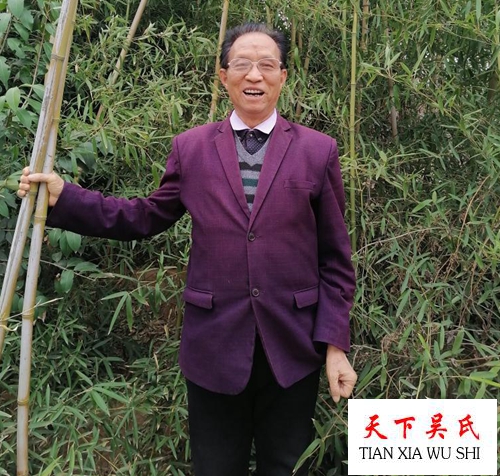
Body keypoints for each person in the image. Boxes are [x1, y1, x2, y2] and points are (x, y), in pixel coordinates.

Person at [18, 23, 356, 476]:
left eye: (266, 65)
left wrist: (334, 345)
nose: (254, 75)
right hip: (214, 347)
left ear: (283, 76)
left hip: (292, 349)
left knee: (287, 467)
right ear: (223, 75)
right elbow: (143, 217)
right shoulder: (192, 148)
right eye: (242, 64)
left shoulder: (317, 150)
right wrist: (66, 198)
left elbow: (335, 260)